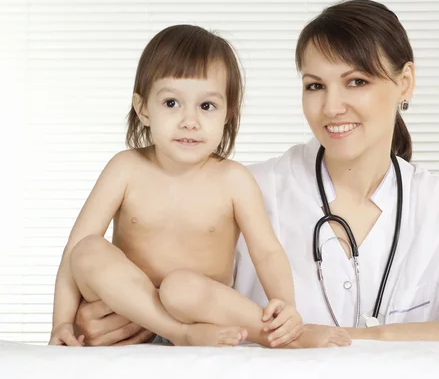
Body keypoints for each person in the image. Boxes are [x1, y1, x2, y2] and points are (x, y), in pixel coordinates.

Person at [72, 0, 439, 346]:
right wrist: (108, 321)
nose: (332, 107)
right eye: (314, 85)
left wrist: (363, 340)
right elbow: (161, 287)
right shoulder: (246, 187)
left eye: (357, 81)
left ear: (405, 83)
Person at [48, 24, 351, 349]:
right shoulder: (126, 169)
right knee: (87, 250)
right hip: (128, 314)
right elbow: (74, 252)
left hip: (200, 314)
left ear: (227, 114)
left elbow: (266, 251)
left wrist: (285, 307)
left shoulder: (233, 180)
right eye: (171, 103)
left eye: (206, 106)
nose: (189, 120)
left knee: (180, 287)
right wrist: (61, 323)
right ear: (143, 108)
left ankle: (282, 335)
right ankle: (179, 334)